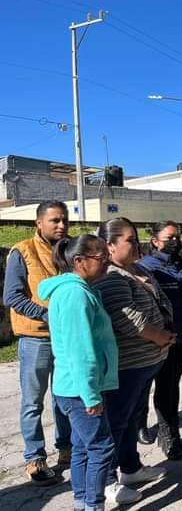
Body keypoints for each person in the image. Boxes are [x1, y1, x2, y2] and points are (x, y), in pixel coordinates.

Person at [94, 217, 176, 505]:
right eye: (129, 239)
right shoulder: (111, 276)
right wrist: (161, 337)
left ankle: (130, 468)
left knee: (129, 419)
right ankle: (106, 481)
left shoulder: (134, 269)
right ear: (110, 245)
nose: (136, 242)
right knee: (115, 423)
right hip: (128, 365)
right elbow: (133, 322)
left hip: (146, 363)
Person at [38, 235, 116, 511]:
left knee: (83, 446)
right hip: (79, 389)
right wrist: (91, 395)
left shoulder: (80, 290)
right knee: (100, 447)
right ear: (79, 261)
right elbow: (79, 350)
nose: (106, 261)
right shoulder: (74, 294)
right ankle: (93, 505)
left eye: (106, 255)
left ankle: (82, 501)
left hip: (76, 387)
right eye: (100, 257)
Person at [3, 200, 72, 485]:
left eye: (65, 220)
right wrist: (48, 314)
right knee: (33, 402)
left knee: (65, 397)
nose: (61, 225)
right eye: (55, 220)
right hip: (36, 338)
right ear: (39, 223)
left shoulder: (69, 250)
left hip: (67, 338)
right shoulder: (22, 251)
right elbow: (13, 297)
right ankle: (35, 458)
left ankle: (67, 449)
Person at [138, 221, 182, 460]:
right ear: (155, 241)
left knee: (172, 386)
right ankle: (167, 436)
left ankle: (172, 432)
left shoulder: (181, 263)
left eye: (178, 237)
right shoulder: (146, 268)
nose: (175, 242)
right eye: (169, 238)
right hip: (162, 338)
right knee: (163, 388)